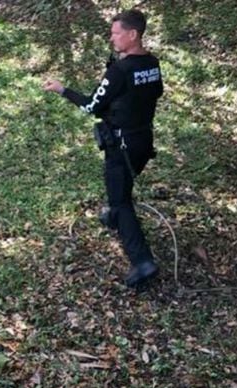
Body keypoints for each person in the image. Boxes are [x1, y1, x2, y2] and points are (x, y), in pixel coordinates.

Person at [43, 9, 163, 288]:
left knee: (122, 201)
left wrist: (62, 90)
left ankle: (142, 261)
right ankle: (111, 215)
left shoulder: (120, 70)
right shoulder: (152, 63)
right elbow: (154, 93)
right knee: (121, 187)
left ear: (133, 35)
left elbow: (91, 105)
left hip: (121, 144)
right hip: (143, 140)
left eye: (116, 33)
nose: (112, 38)